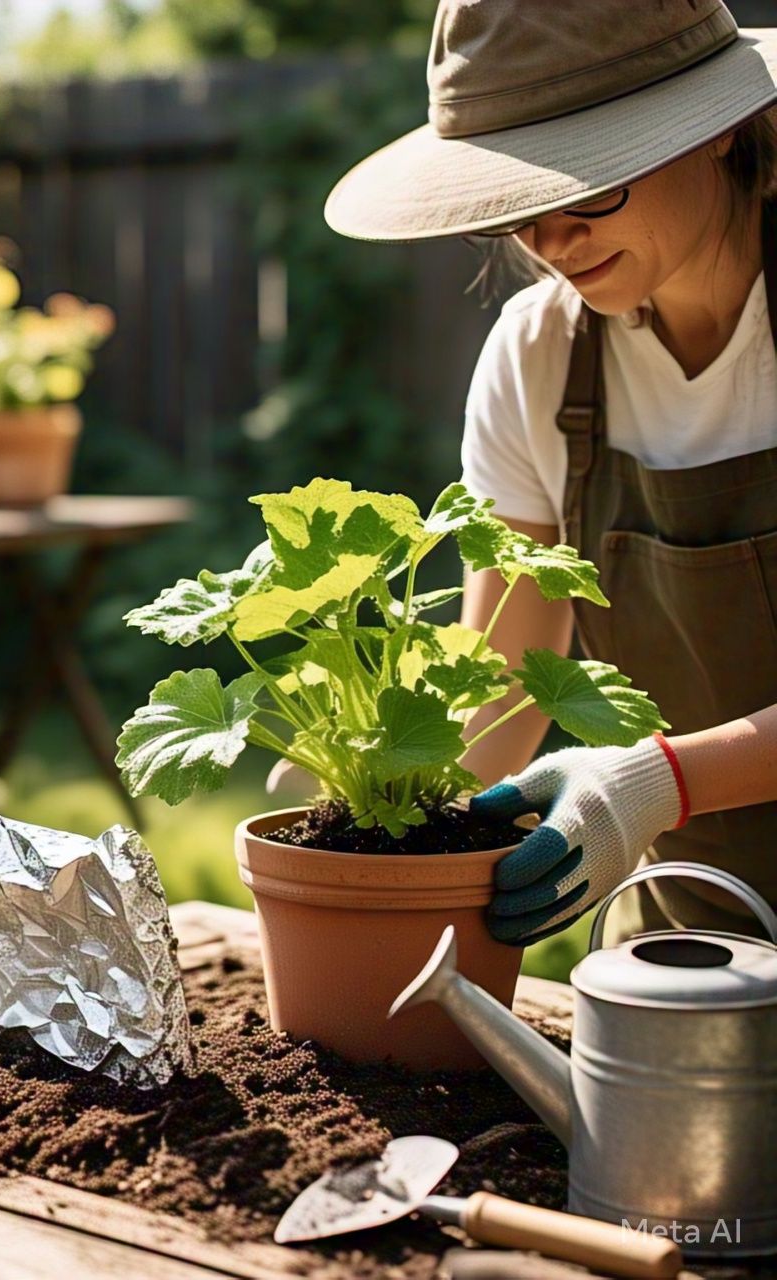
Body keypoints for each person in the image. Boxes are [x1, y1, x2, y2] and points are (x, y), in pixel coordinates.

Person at [320, 0, 777, 944]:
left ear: (720, 129)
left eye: (590, 183)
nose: (554, 241)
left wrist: (661, 780)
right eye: (519, 204)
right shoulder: (541, 357)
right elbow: (503, 680)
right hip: (693, 932)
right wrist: (390, 820)